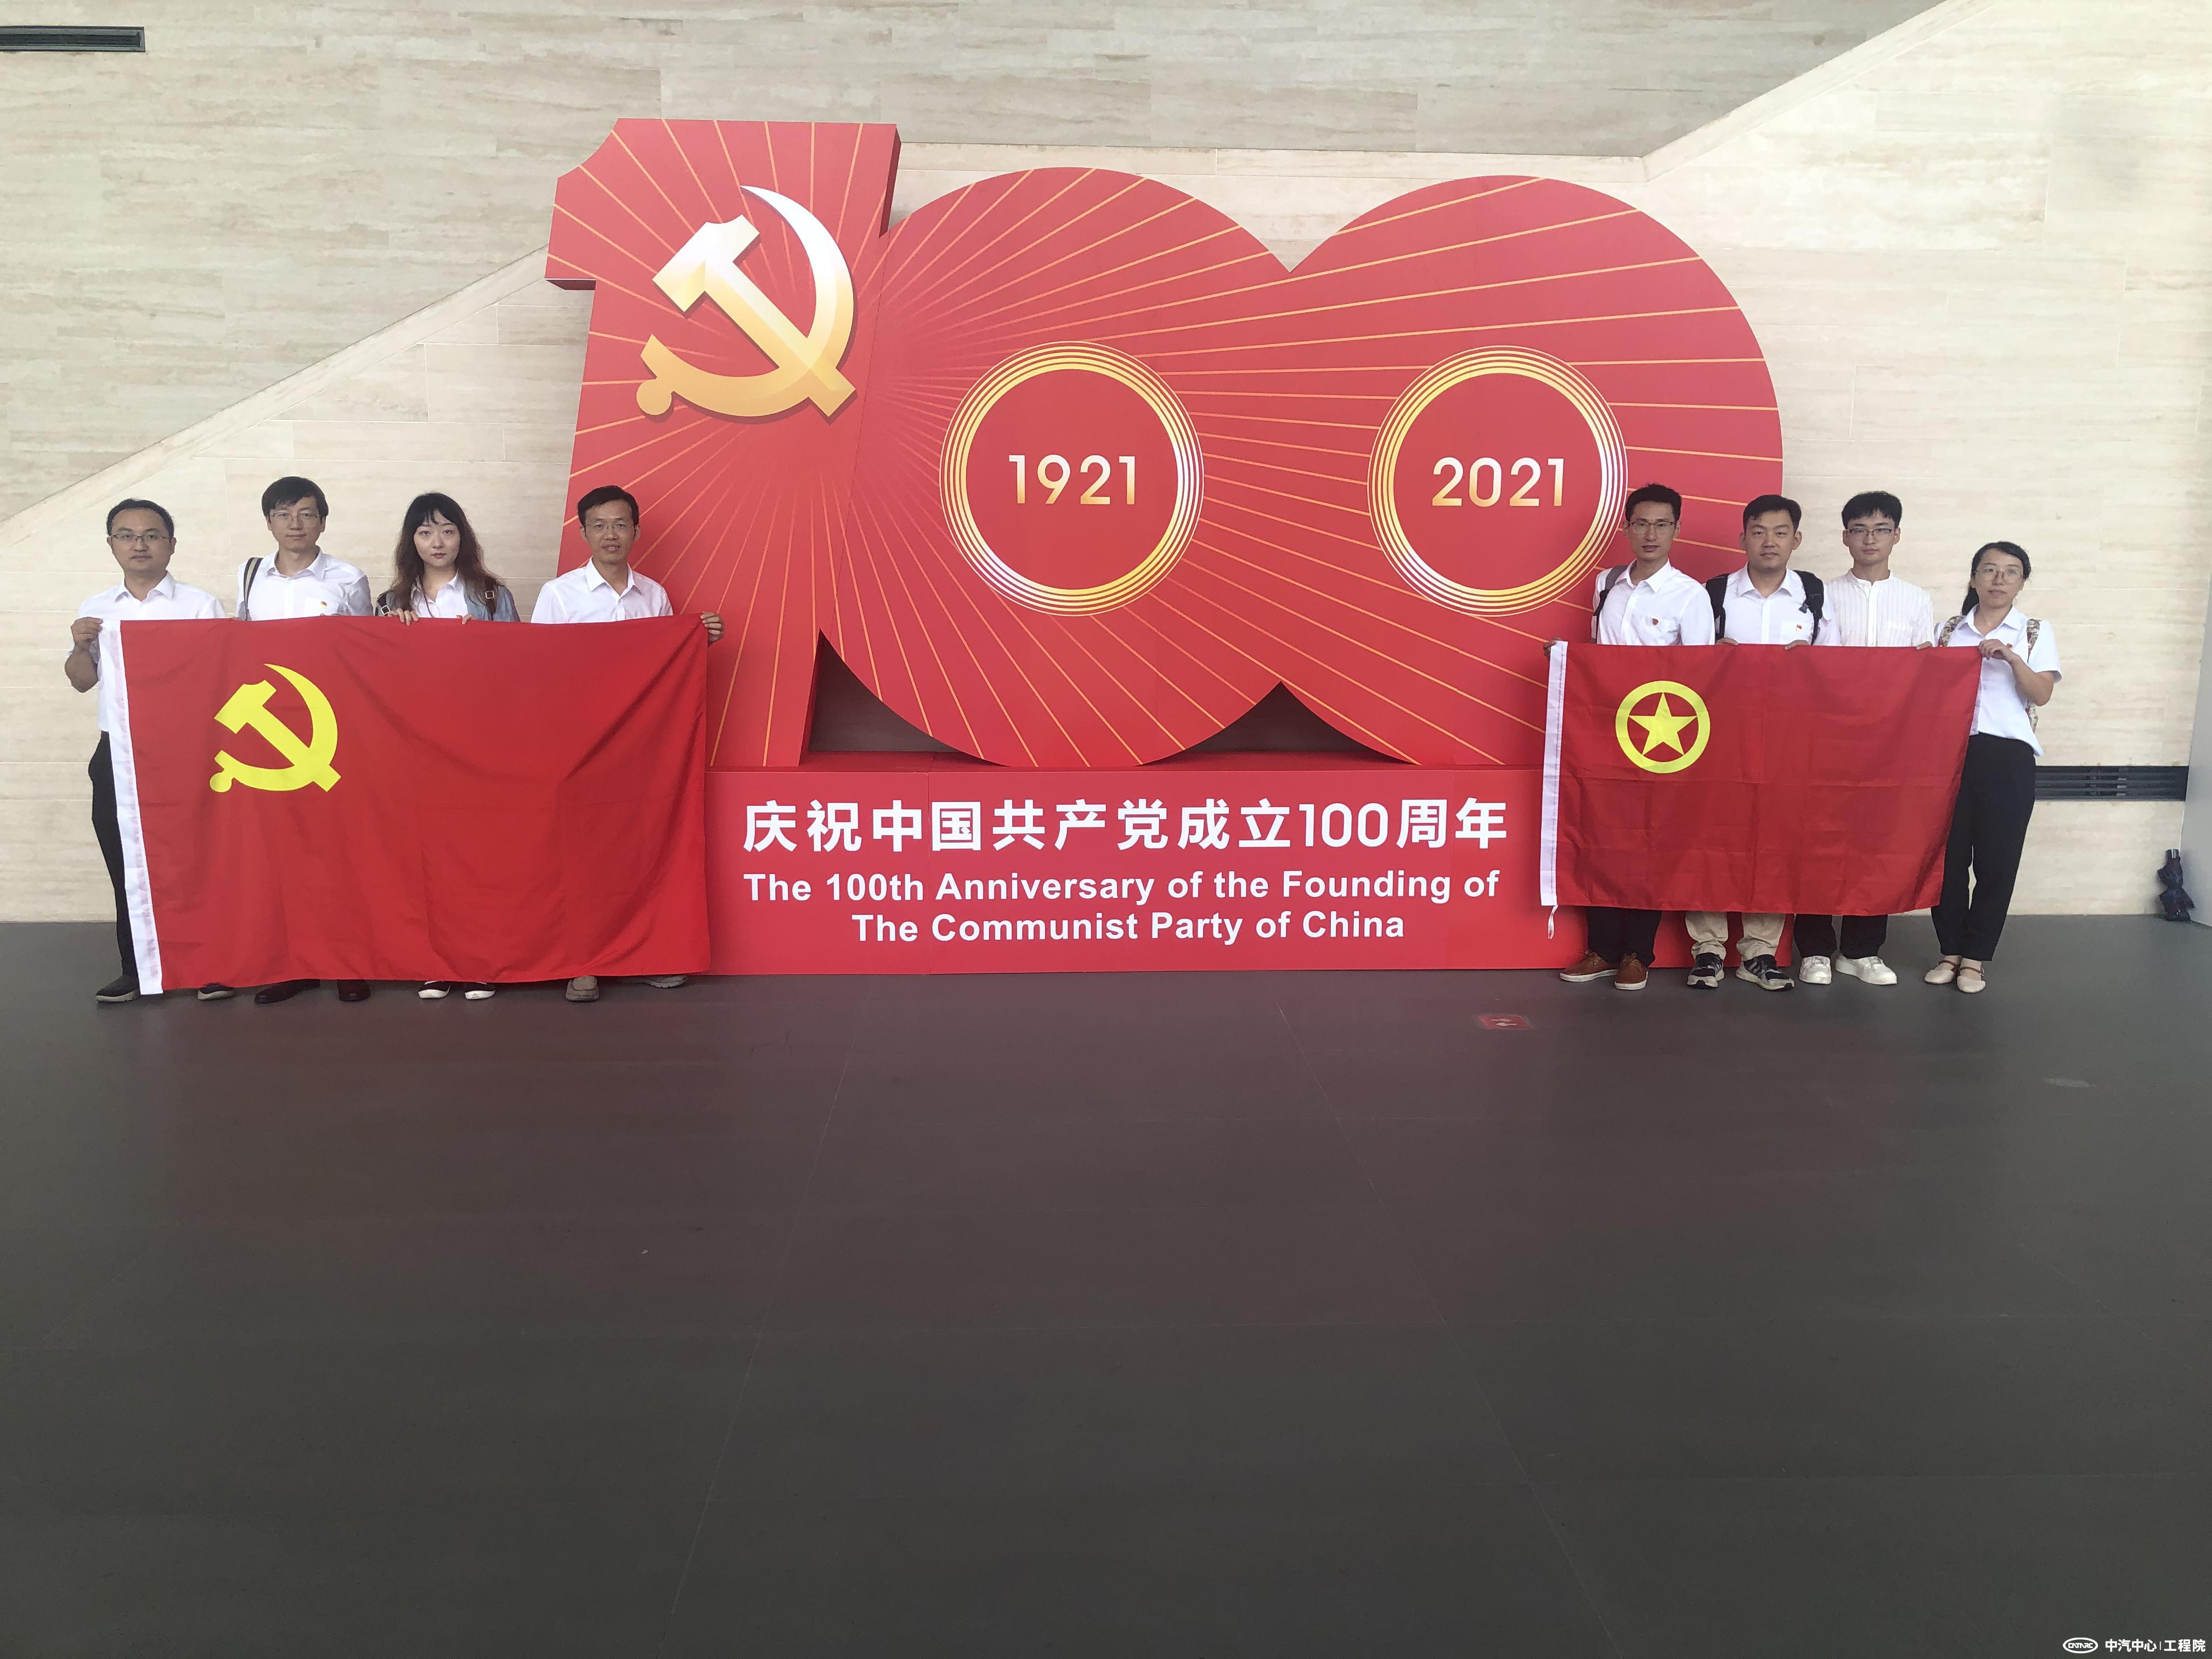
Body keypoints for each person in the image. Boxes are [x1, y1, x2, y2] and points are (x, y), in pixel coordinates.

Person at [533, 484, 724, 1003]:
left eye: (620, 524)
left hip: (640, 750)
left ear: (636, 531)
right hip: (577, 749)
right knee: (582, 856)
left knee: (640, 852)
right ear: (583, 533)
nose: (611, 535)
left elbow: (663, 671)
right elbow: (539, 671)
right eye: (599, 525)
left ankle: (641, 955)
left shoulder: (654, 596)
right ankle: (583, 962)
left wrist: (697, 638)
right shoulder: (559, 595)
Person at [1555, 482, 1714, 992]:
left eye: (1661, 524)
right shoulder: (1607, 584)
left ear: (1677, 530)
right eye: (1641, 523)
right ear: (1626, 528)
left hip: (1658, 740)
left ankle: (1636, 953)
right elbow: (1599, 655)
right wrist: (1568, 660)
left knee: (1650, 842)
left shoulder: (1690, 595)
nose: (1650, 534)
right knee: (1598, 838)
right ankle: (1601, 949)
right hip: (1602, 733)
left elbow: (1700, 676)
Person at [66, 500, 225, 1003]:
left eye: (152, 535)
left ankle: (208, 966)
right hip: (118, 752)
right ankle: (135, 968)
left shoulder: (199, 606)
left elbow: (219, 679)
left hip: (186, 751)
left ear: (171, 545)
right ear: (111, 544)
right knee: (126, 861)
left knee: (195, 858)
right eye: (127, 535)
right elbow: (81, 681)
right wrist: (79, 646)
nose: (140, 545)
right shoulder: (97, 608)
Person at [376, 493, 519, 1001]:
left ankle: (480, 959)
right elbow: (375, 679)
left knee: (479, 856)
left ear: (463, 536)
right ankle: (435, 961)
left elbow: (518, 669)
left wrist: (481, 645)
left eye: (447, 530)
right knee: (425, 859)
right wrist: (392, 637)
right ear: (411, 541)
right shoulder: (390, 602)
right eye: (425, 532)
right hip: (414, 749)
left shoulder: (491, 596)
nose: (437, 542)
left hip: (478, 745)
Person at [238, 476, 375, 1005]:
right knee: (284, 849)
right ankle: (297, 961)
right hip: (270, 730)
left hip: (332, 728)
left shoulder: (347, 578)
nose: (295, 524)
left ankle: (348, 959)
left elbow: (366, 652)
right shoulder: (251, 575)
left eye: (306, 513)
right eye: (283, 514)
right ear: (268, 521)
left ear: (323, 521)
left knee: (339, 847)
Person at [1793, 489, 1936, 988]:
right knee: (1819, 841)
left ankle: (1862, 950)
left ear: (1896, 535)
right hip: (1829, 738)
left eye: (1880, 530)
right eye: (1859, 530)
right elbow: (1812, 669)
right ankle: (1815, 949)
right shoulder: (1821, 595)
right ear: (1845, 537)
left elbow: (1924, 674)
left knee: (1877, 843)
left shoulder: (1917, 600)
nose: (1869, 539)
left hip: (1890, 743)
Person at [1686, 493, 1828, 993]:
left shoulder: (1815, 595)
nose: (1770, 542)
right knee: (1709, 835)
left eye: (1781, 532)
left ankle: (1760, 951)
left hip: (1790, 737)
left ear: (1797, 539)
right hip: (1720, 735)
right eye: (1759, 531)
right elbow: (1684, 663)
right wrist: (1711, 655)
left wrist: (1814, 659)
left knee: (1775, 838)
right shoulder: (1713, 593)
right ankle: (1707, 949)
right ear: (1743, 537)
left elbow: (1839, 667)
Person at [1926, 541, 2059, 994]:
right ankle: (1949, 951)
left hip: (2007, 759)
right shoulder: (1948, 631)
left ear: (2022, 582)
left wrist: (2012, 657)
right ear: (1973, 578)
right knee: (1948, 861)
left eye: (2011, 571)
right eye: (1989, 570)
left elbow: (2041, 694)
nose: (1999, 579)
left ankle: (1975, 959)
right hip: (1949, 756)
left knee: (1997, 862)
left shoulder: (2034, 632)